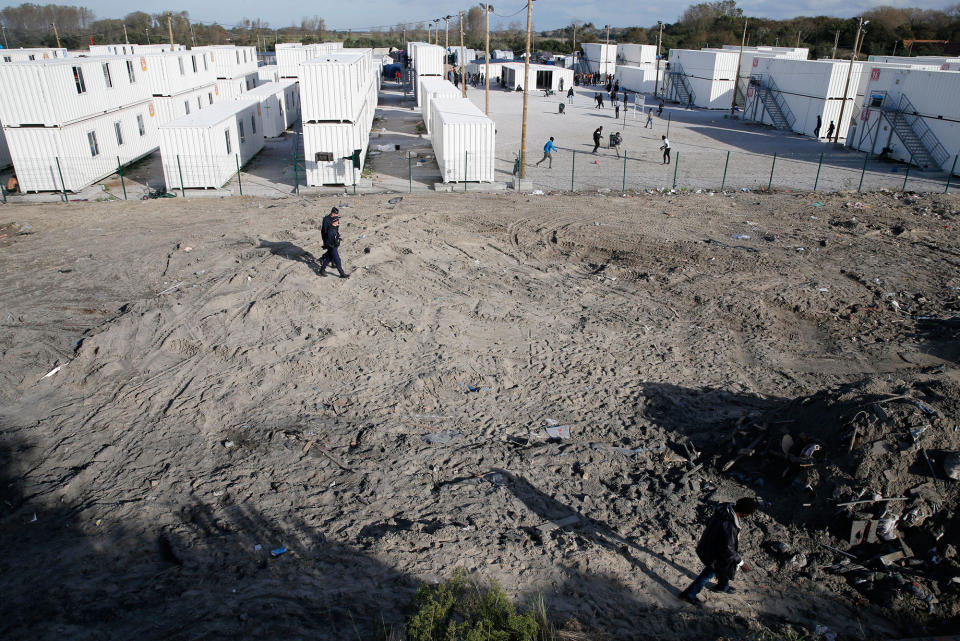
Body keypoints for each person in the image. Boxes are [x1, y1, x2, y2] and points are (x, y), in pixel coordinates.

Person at [678, 498, 757, 605]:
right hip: (714, 552)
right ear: (744, 514)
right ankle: (688, 594)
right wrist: (741, 562)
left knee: (724, 566)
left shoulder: (724, 509)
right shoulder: (730, 525)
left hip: (708, 544)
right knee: (709, 572)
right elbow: (728, 549)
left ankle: (723, 586)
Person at [319, 208, 349, 279]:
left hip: (333, 241)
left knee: (329, 257)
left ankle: (322, 269)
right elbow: (324, 232)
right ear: (332, 213)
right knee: (337, 259)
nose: (338, 222)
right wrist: (327, 243)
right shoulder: (326, 220)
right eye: (336, 215)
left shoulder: (334, 225)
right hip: (330, 243)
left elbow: (336, 230)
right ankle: (342, 274)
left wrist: (337, 237)